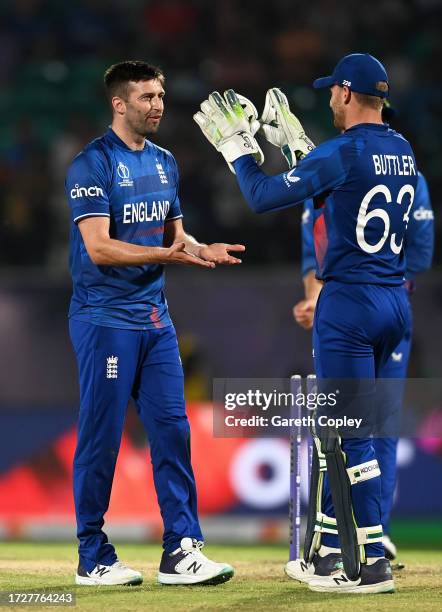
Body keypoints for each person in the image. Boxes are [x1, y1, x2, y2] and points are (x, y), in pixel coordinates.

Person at [195, 53, 416, 594]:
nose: (329, 102)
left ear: (344, 93)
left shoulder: (342, 151)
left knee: (345, 436)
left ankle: (368, 567)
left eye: (330, 93)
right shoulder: (403, 149)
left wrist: (239, 151)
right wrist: (298, 148)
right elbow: (335, 191)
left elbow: (263, 196)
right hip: (395, 299)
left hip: (349, 305)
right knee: (340, 434)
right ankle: (330, 554)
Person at [65, 60, 243, 587]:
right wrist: (167, 255)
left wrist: (198, 248)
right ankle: (92, 556)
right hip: (105, 320)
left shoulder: (166, 162)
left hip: (155, 318)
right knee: (102, 437)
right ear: (119, 103)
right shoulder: (91, 164)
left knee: (173, 430)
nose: (158, 104)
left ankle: (181, 550)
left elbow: (175, 235)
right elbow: (97, 248)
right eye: (146, 97)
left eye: (161, 94)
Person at [291, 104, 434, 566]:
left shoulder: (395, 171)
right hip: (357, 305)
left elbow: (420, 252)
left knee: (369, 425)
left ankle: (372, 539)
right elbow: (314, 248)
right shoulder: (336, 174)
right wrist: (315, 295)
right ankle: (339, 539)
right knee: (346, 425)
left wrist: (379, 284)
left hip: (371, 305)